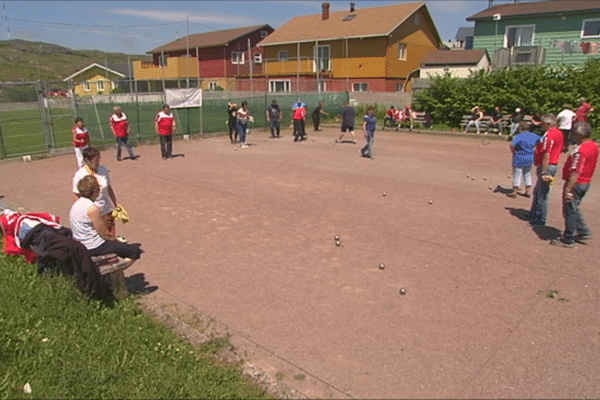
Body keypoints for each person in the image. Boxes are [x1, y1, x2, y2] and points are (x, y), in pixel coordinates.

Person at [1, 208, 112, 300]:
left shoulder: (9, 223)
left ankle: (92, 289)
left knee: (69, 246)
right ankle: (94, 289)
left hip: (38, 233)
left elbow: (10, 245)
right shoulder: (11, 220)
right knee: (70, 245)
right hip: (40, 231)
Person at [70, 175, 143, 260]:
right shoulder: (92, 209)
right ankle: (116, 269)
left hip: (81, 244)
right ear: (95, 190)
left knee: (119, 248)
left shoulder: (76, 204)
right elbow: (105, 234)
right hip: (93, 247)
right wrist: (117, 241)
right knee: (135, 251)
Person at [550, 122, 599, 248]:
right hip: (585, 182)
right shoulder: (593, 145)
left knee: (569, 210)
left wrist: (568, 189)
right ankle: (582, 230)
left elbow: (576, 171)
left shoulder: (581, 150)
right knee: (574, 208)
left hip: (577, 183)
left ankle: (568, 238)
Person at [72, 147, 118, 237]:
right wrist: (82, 212)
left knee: (110, 234)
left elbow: (108, 188)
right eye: (95, 160)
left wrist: (115, 204)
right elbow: (76, 195)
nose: (97, 162)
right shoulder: (80, 175)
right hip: (92, 212)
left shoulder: (103, 170)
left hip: (106, 208)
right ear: (87, 160)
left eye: (98, 159)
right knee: (98, 236)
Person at [528, 114, 564, 227]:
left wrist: (543, 171)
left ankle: (541, 218)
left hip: (547, 166)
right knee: (538, 191)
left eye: (544, 124)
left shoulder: (550, 135)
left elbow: (546, 154)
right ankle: (534, 213)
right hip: (549, 165)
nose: (542, 126)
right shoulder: (557, 132)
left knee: (542, 194)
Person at [508, 122, 540, 198]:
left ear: (520, 128)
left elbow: (512, 145)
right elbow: (540, 141)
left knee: (517, 174)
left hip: (519, 156)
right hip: (529, 157)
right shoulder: (534, 135)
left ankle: (514, 192)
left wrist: (513, 151)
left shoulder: (519, 136)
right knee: (527, 173)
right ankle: (528, 191)